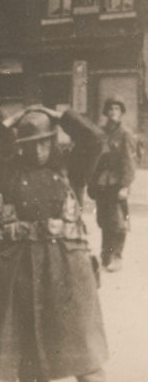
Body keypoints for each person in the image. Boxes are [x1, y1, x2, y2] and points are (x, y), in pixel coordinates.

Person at [0, 107, 107, 382]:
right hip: (25, 268)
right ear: (19, 147)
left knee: (83, 353)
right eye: (30, 145)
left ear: (54, 140)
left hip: (68, 270)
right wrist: (8, 122)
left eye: (44, 142)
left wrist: (63, 115)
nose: (38, 151)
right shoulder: (9, 173)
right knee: (30, 355)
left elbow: (96, 140)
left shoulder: (70, 168)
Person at [89, 98, 136, 272]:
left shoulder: (125, 133)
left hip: (117, 183)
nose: (113, 112)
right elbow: (94, 159)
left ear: (122, 112)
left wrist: (125, 186)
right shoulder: (100, 132)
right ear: (106, 112)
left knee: (118, 222)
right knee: (103, 220)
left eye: (117, 108)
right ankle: (106, 254)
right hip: (102, 182)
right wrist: (92, 182)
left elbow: (129, 162)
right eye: (110, 109)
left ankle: (116, 256)